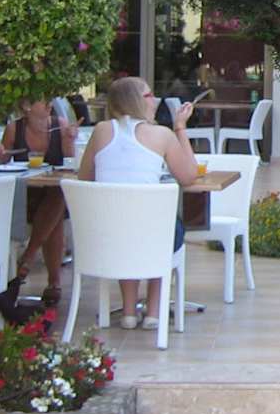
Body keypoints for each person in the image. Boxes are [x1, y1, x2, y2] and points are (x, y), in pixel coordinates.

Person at [76, 76, 199, 330]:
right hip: (151, 234)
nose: (155, 100)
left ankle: (129, 312)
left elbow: (84, 178)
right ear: (134, 100)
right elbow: (188, 176)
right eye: (149, 95)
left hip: (108, 234)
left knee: (125, 223)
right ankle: (153, 312)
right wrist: (180, 128)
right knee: (164, 225)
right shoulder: (162, 135)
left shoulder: (101, 131)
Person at [0, 100, 77, 306]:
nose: (49, 103)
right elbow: (1, 162)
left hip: (53, 194)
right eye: (43, 99)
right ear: (27, 106)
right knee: (54, 212)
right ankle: (53, 282)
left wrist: (69, 139)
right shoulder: (14, 129)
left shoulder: (60, 125)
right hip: (24, 197)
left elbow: (69, 161)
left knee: (57, 195)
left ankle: (29, 255)